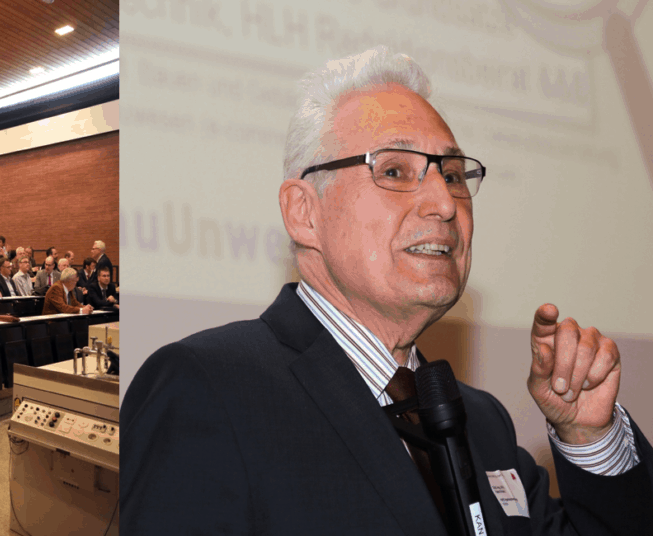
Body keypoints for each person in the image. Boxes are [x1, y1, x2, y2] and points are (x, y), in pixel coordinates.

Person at [122, 47, 651, 535]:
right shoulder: (207, 386)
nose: (445, 203)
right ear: (304, 213)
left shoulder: (482, 420)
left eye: (453, 174)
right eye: (396, 170)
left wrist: (591, 438)